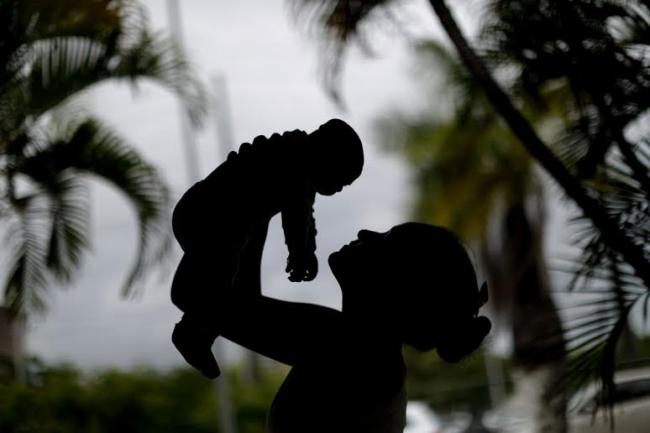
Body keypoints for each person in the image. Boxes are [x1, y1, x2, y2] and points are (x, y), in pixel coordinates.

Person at [215, 221, 491, 433]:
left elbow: (215, 306)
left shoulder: (352, 348)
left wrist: (261, 206)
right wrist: (260, 214)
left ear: (401, 285)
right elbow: (238, 307)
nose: (365, 233)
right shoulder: (369, 354)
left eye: (387, 240)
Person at [171, 119, 364, 378]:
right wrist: (301, 253)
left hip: (232, 226)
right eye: (342, 179)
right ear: (328, 156)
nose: (338, 188)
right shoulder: (296, 163)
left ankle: (202, 327)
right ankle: (191, 332)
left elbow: (303, 212)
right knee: (221, 282)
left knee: (239, 288)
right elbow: (297, 214)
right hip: (207, 217)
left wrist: (306, 249)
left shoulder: (299, 162)